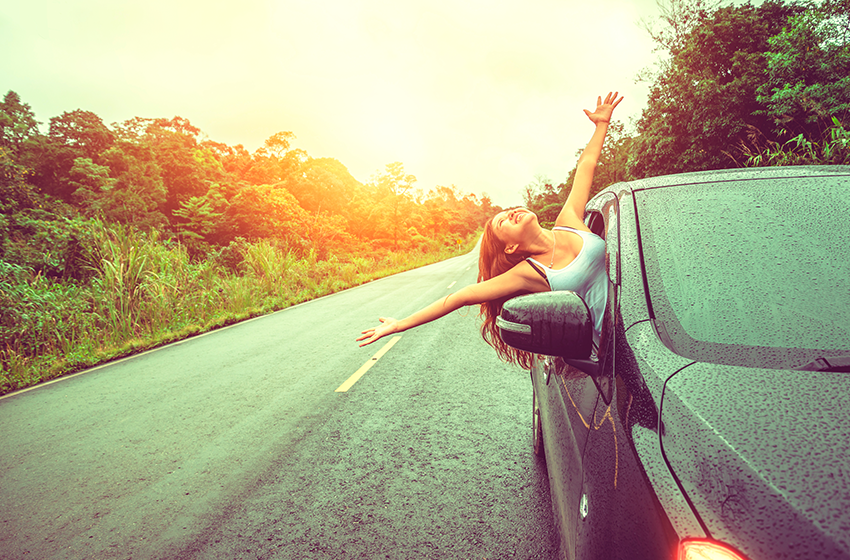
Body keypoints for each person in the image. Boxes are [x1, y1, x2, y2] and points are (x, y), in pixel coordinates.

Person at [357, 92, 624, 368]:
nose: (511, 213)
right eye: (503, 222)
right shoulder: (528, 273)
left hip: (654, 316)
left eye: (508, 211)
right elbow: (460, 297)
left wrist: (601, 124)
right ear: (509, 247)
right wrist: (400, 323)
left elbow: (585, 167)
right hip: (618, 354)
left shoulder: (569, 220)